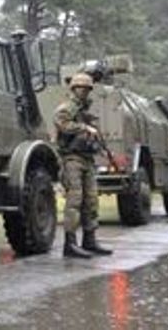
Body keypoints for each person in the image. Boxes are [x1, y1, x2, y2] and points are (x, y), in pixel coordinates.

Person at [54, 72, 113, 259]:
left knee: (91, 200)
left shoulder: (85, 111)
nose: (84, 91)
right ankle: (70, 244)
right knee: (74, 201)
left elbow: (95, 133)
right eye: (80, 88)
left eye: (87, 89)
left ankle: (90, 239)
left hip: (87, 159)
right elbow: (62, 123)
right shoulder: (67, 108)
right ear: (73, 88)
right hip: (72, 159)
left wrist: (100, 145)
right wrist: (84, 128)